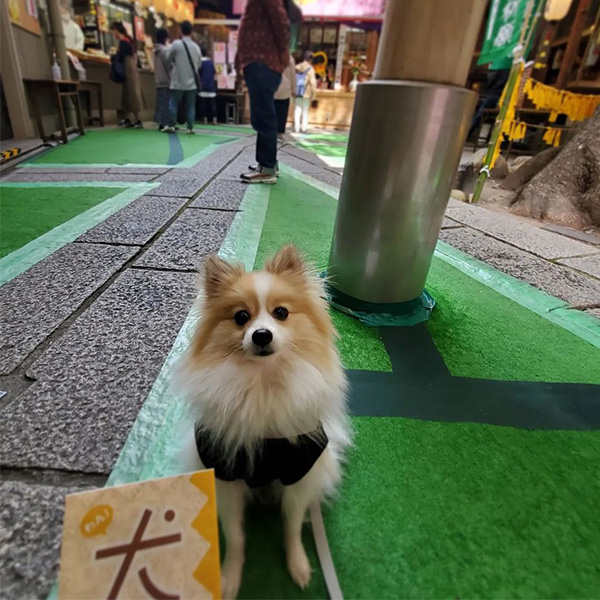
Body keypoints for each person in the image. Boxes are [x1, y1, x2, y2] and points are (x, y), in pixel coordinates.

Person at [235, 0, 290, 184]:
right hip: (259, 60)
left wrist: (283, 53)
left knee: (263, 115)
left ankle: (267, 167)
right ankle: (268, 163)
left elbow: (281, 22)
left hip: (262, 60)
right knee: (263, 114)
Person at [164, 20, 201, 134]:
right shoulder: (196, 47)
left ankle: (171, 125)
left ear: (180, 30)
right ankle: (190, 128)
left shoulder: (176, 44)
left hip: (178, 80)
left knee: (173, 103)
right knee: (190, 105)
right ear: (192, 32)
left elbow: (167, 60)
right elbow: (198, 65)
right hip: (192, 82)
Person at [111, 22, 143, 128]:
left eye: (113, 31)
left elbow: (120, 57)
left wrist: (113, 56)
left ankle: (137, 119)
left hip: (128, 72)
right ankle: (128, 118)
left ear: (116, 30)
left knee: (131, 94)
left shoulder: (123, 42)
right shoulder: (128, 41)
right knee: (128, 94)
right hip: (131, 71)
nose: (113, 34)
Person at [294, 51, 317, 134]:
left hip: (297, 92)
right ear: (310, 59)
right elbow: (313, 83)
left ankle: (296, 128)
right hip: (306, 92)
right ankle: (304, 128)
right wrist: (314, 95)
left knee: (297, 109)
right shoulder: (310, 69)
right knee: (305, 110)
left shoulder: (297, 67)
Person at [274, 54, 296, 139]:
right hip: (285, 89)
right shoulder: (289, 58)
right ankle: (280, 132)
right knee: (282, 112)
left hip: (273, 88)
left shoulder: (271, 55)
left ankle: (272, 130)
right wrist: (294, 90)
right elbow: (293, 75)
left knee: (272, 111)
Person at [153, 28, 171, 131]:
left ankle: (161, 122)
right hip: (166, 80)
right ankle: (165, 123)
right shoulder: (164, 50)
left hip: (159, 80)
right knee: (166, 103)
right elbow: (169, 66)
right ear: (166, 38)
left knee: (161, 103)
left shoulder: (156, 51)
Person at [199, 46, 217, 124]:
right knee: (212, 104)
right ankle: (214, 119)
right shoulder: (210, 63)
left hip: (202, 86)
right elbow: (214, 72)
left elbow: (198, 75)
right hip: (211, 86)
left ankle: (205, 119)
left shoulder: (199, 63)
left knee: (204, 104)